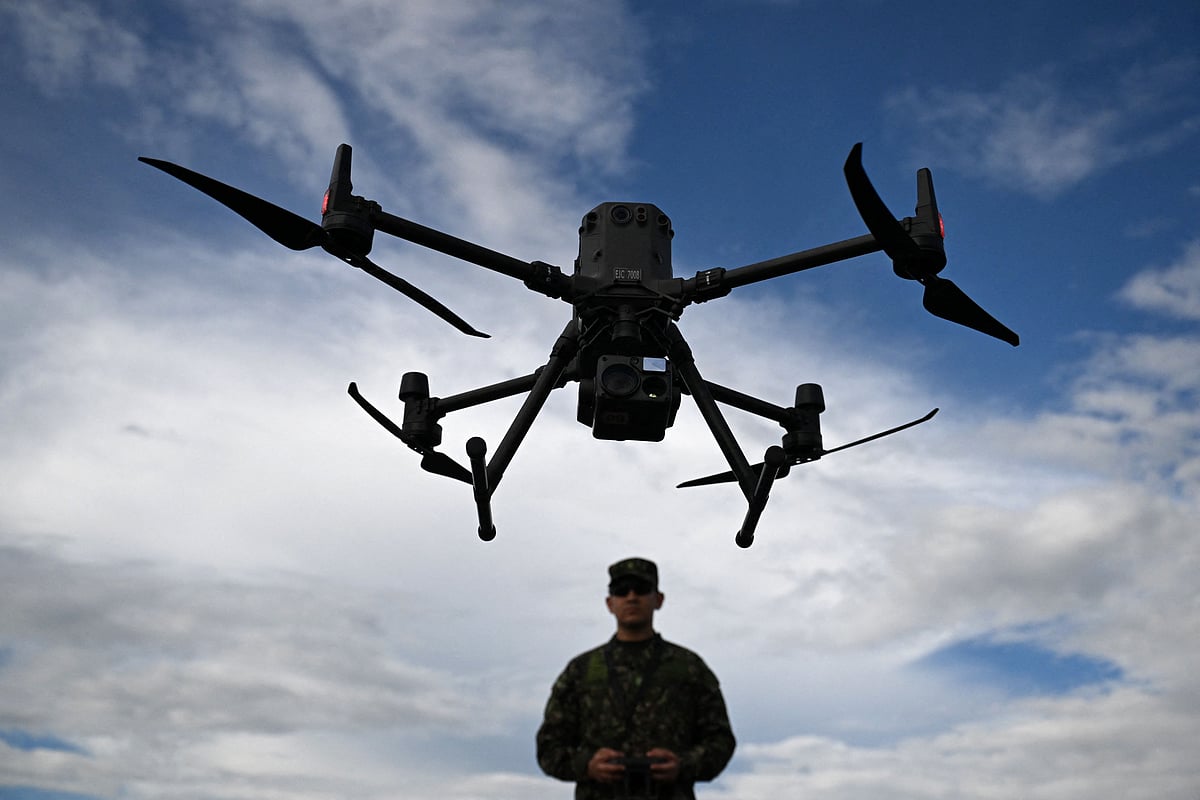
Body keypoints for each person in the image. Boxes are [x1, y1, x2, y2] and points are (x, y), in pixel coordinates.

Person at [536, 558, 735, 799]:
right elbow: (549, 748)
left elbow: (720, 740)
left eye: (641, 589)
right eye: (621, 591)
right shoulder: (582, 671)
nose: (631, 597)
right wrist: (588, 765)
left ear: (658, 599)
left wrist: (683, 765)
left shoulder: (689, 668)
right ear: (610, 603)